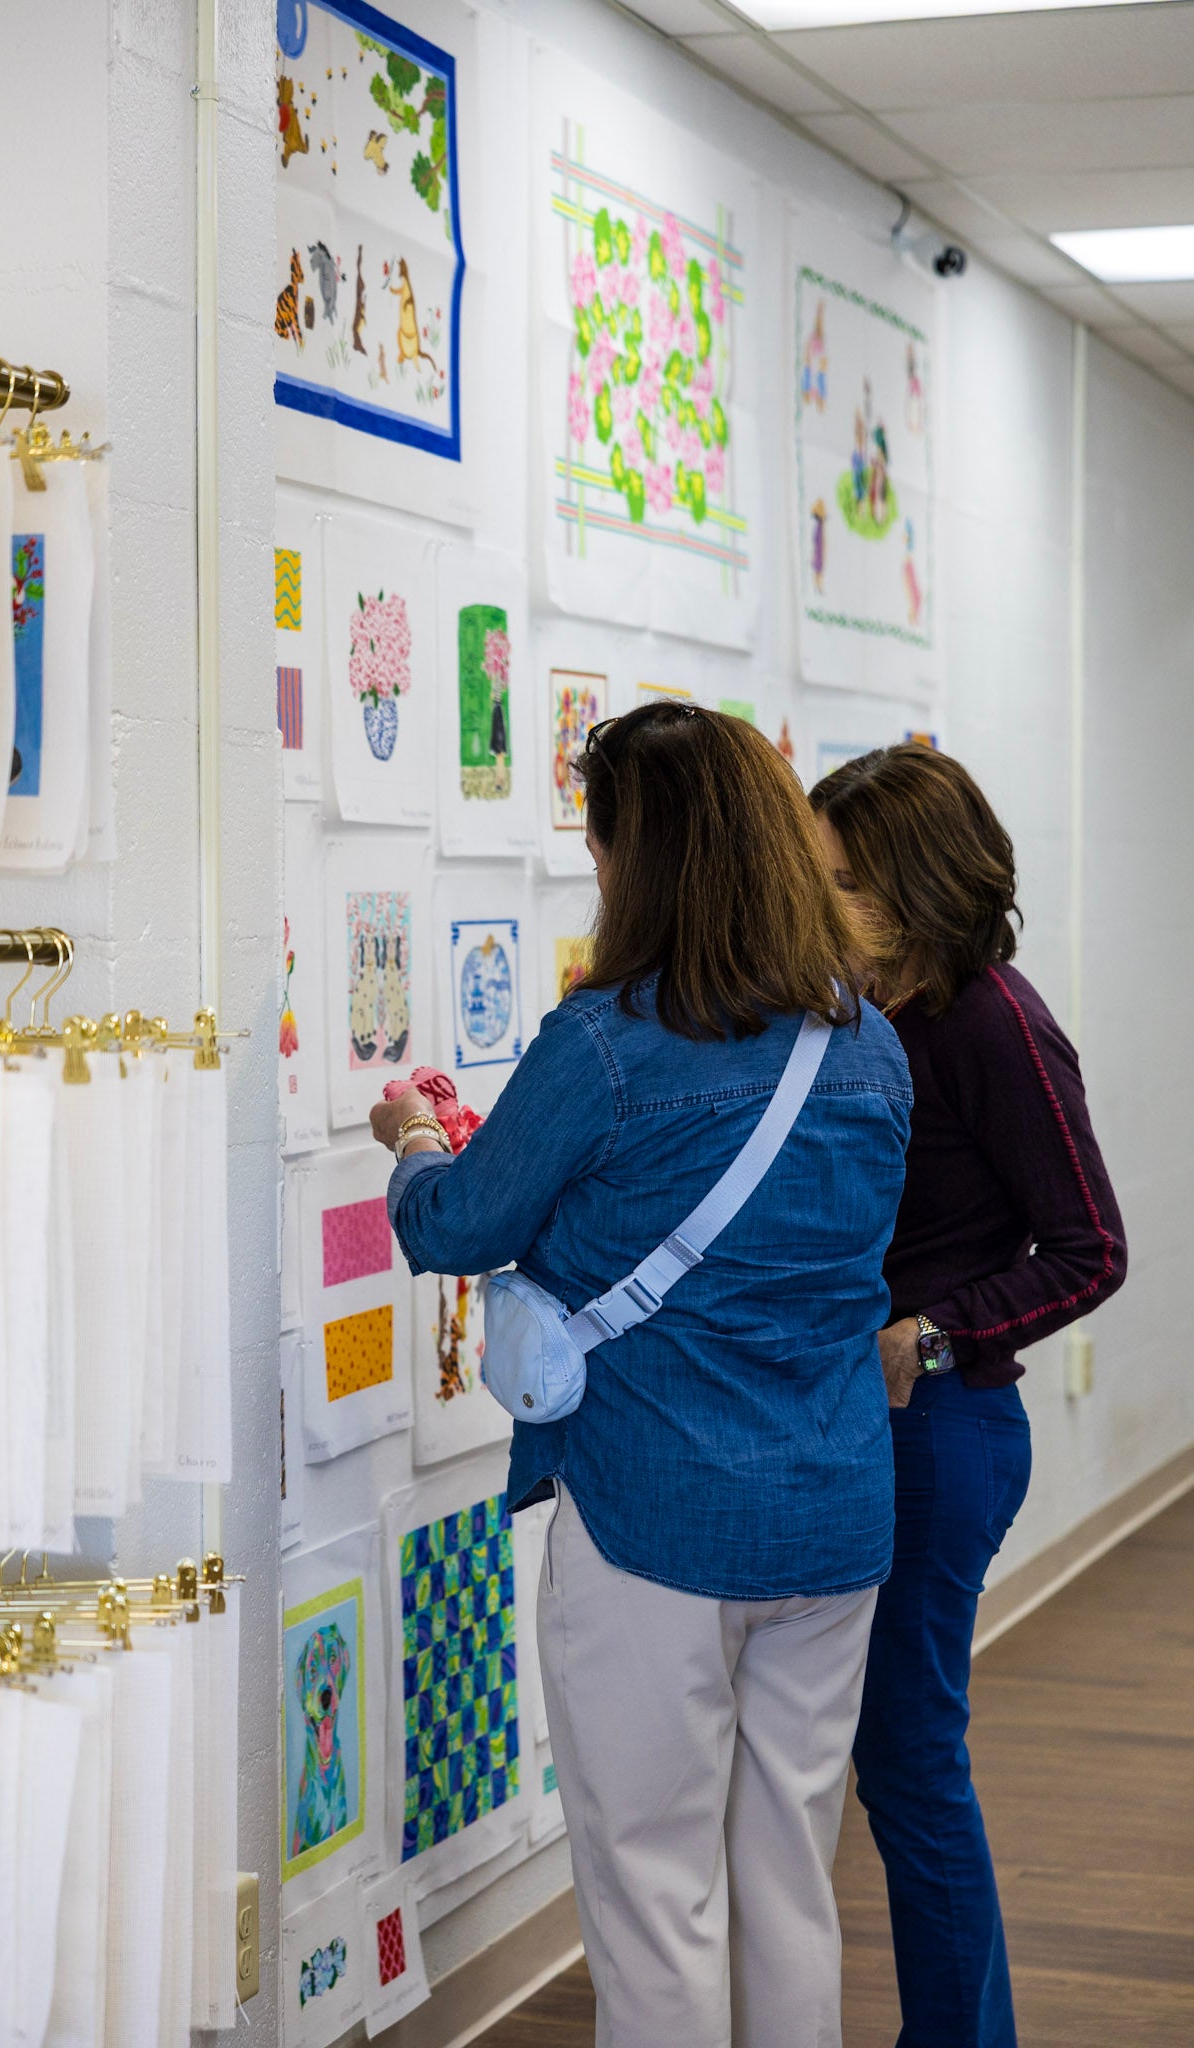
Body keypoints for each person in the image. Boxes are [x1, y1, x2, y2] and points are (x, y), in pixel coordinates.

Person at [371, 704, 913, 2048]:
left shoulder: (604, 1041)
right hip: (834, 1510)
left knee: (654, 1891)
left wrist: (412, 1146)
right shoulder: (866, 1044)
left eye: (600, 840)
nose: (596, 869)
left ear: (641, 854)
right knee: (790, 1877)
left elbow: (457, 1227)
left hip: (650, 1516)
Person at [810, 744, 1127, 2048]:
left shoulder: (994, 1022)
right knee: (890, 1759)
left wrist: (930, 1339)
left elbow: (1088, 1248)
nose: (813, 896)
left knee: (908, 1762)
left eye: (836, 876)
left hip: (941, 1435)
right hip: (862, 1432)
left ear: (907, 882)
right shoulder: (862, 1009)